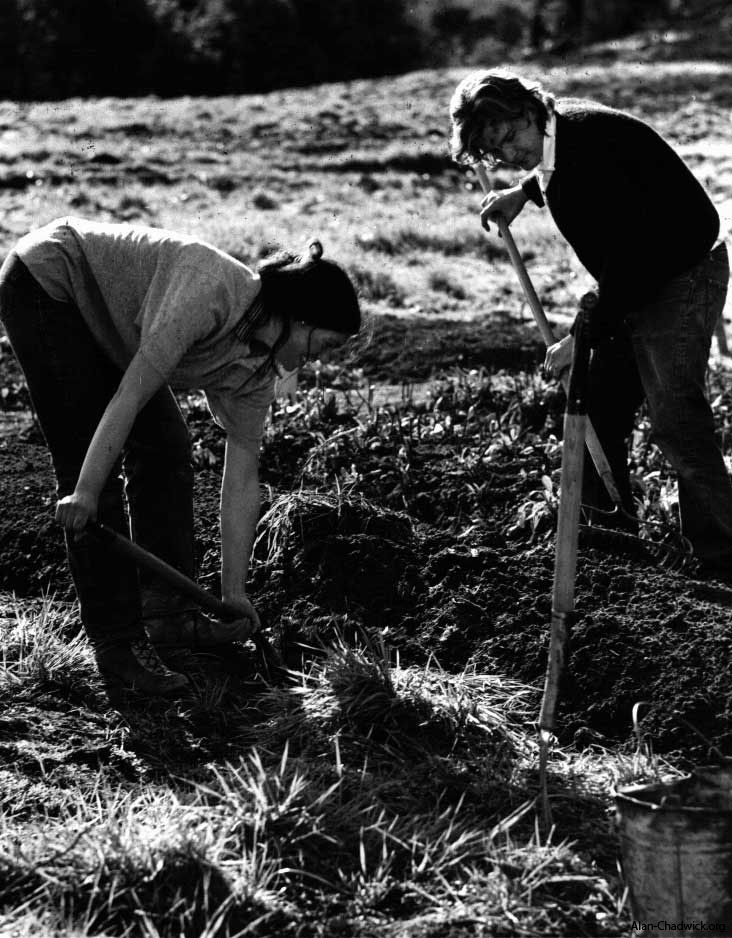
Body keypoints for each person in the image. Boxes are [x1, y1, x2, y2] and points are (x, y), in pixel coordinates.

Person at [0, 217, 361, 697]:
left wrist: (233, 590)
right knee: (90, 462)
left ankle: (170, 614)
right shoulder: (210, 292)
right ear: (301, 319)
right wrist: (84, 492)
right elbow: (129, 397)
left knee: (168, 447)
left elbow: (242, 475)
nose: (321, 360)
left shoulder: (257, 372)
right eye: (326, 344)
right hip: (52, 278)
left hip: (110, 318)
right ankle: (118, 646)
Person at [449, 69, 732, 579]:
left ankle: (721, 559)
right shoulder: (562, 137)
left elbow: (629, 257)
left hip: (683, 271)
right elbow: (561, 171)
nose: (509, 154)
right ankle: (612, 549)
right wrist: (525, 191)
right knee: (598, 403)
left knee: (676, 418)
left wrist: (580, 337)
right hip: (640, 277)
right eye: (496, 153)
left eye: (511, 137)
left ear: (531, 108)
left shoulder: (588, 142)